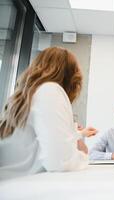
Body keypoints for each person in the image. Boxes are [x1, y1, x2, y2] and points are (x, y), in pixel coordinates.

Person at [0, 47, 89, 179]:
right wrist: (84, 157)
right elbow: (60, 162)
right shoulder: (50, 90)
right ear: (70, 75)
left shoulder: (30, 95)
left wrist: (77, 137)